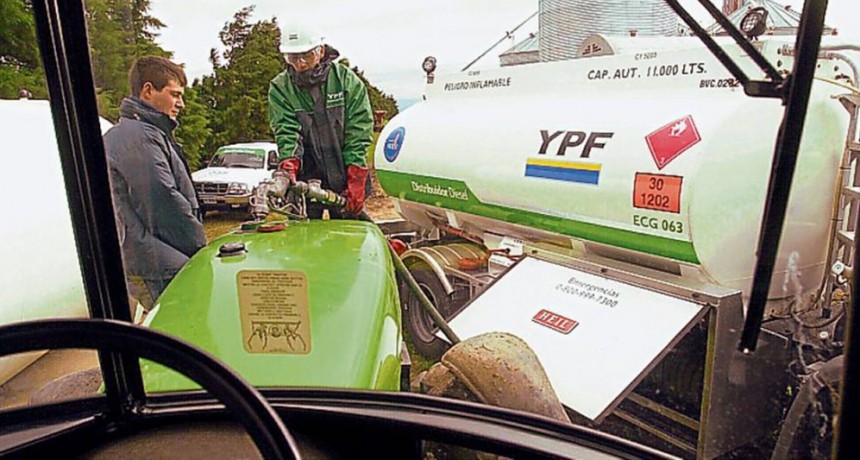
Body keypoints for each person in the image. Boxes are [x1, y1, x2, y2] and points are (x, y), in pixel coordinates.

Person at [103, 56, 206, 310]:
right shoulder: (138, 138)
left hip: (156, 258)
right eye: (175, 95)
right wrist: (200, 248)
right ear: (148, 91)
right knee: (176, 332)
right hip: (156, 263)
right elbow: (162, 203)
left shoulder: (148, 134)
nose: (181, 103)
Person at [268, 23, 374, 219]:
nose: (299, 63)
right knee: (303, 239)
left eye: (306, 56)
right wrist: (289, 166)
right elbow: (286, 130)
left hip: (345, 176)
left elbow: (358, 131)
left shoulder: (345, 81)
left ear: (321, 51)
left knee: (350, 237)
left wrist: (356, 178)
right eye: (292, 57)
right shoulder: (281, 87)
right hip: (305, 180)